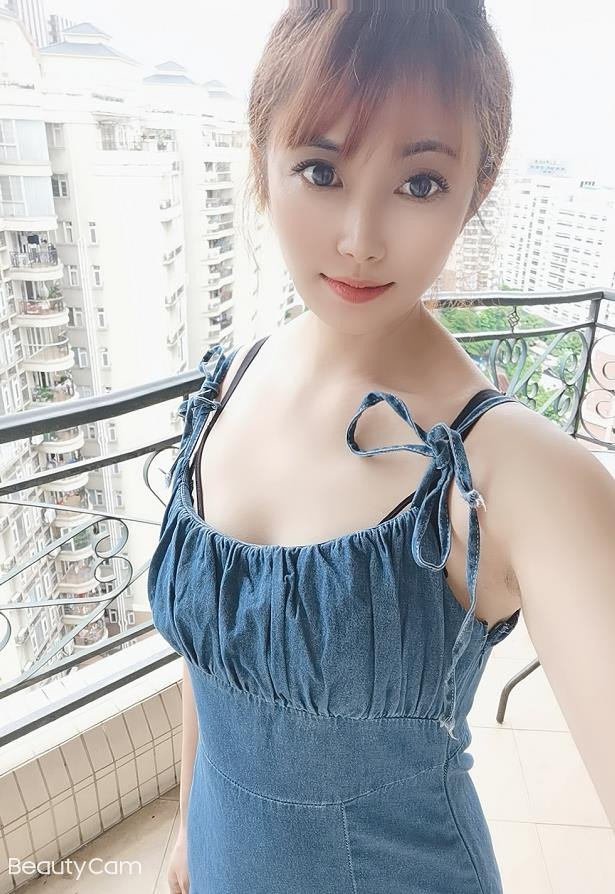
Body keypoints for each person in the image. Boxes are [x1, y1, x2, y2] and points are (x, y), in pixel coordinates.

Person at [147, 3, 615, 892]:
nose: (360, 240)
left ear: (476, 189)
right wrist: (186, 830)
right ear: (262, 159)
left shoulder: (517, 473)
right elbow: (210, 661)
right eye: (320, 169)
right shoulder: (229, 383)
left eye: (420, 183)